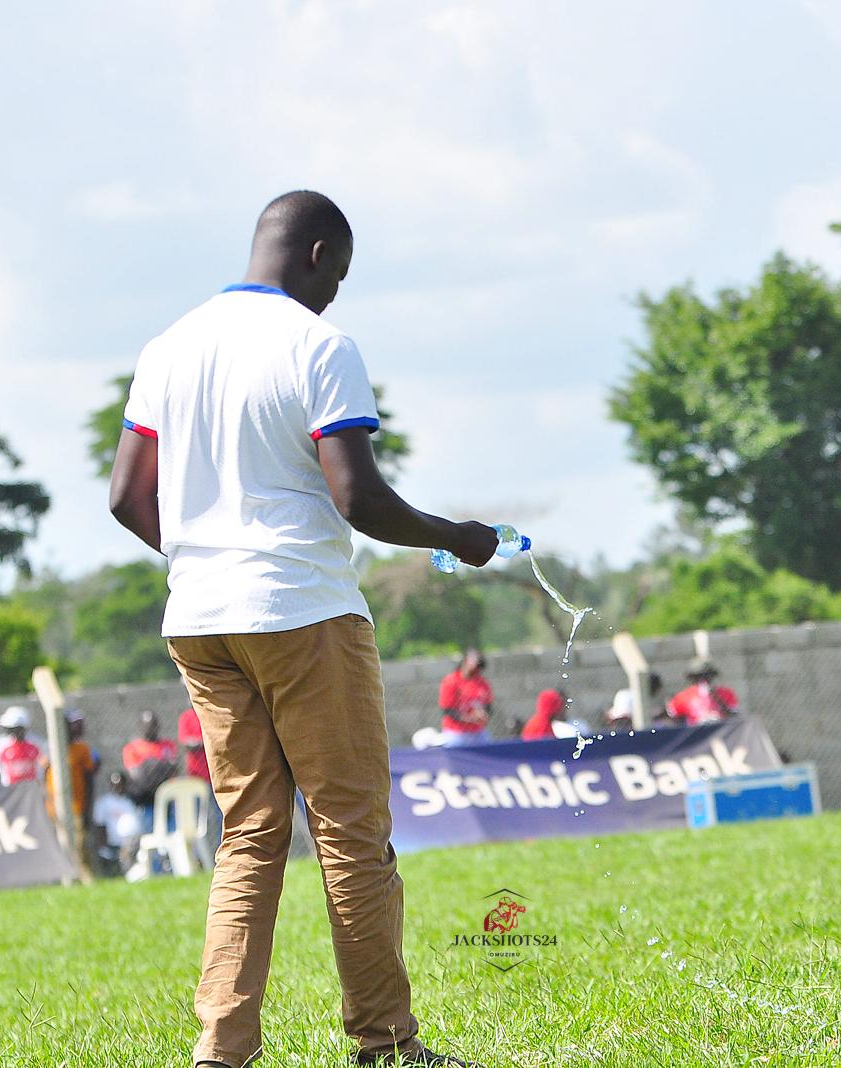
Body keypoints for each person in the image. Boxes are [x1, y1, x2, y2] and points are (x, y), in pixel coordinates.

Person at [109, 190, 497, 1068]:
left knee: (248, 834)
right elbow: (356, 497)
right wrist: (456, 537)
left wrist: (207, 559)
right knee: (350, 828)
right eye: (340, 277)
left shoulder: (166, 347)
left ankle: (222, 1052)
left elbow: (127, 496)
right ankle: (387, 1045)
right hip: (302, 608)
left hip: (199, 618)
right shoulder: (320, 345)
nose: (336, 297)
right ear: (319, 254)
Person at [43, 709, 100, 870]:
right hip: (55, 809)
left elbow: (89, 781)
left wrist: (88, 808)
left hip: (77, 806)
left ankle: (84, 877)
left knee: (80, 845)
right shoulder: (51, 748)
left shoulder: (82, 749)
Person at [122, 711, 179, 825]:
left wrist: (149, 766)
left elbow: (173, 770)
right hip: (145, 802)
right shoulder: (132, 748)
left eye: (153, 724)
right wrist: (161, 766)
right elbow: (137, 776)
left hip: (168, 800)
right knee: (148, 839)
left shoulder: (168, 745)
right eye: (147, 725)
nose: (151, 728)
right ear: (141, 726)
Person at [178, 705, 222, 846]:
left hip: (216, 775)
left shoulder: (211, 711)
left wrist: (201, 742)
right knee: (196, 819)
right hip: (196, 777)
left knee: (221, 816)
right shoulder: (186, 717)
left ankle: (223, 848)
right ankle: (198, 856)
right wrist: (207, 741)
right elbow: (187, 744)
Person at [438, 649, 494, 747]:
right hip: (456, 733)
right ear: (465, 663)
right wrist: (470, 718)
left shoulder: (482, 682)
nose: (478, 670)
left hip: (478, 731)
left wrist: (484, 714)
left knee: (490, 754)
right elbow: (448, 710)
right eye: (476, 667)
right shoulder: (451, 681)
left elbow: (488, 706)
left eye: (479, 668)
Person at [92, 771, 143, 876]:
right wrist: (102, 846)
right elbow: (99, 825)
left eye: (120, 783)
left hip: (130, 843)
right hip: (112, 845)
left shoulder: (131, 801)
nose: (118, 787)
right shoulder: (104, 802)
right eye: (115, 784)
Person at [0, 706, 46, 786]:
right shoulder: (1, 743)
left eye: (15, 729)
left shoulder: (37, 742)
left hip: (35, 789)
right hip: (11, 792)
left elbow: (47, 764)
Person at [666, 659, 739, 726]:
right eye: (699, 676)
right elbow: (673, 719)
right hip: (697, 735)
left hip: (721, 733)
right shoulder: (683, 696)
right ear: (693, 678)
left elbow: (734, 716)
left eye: (707, 676)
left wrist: (717, 699)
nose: (704, 679)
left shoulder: (726, 693)